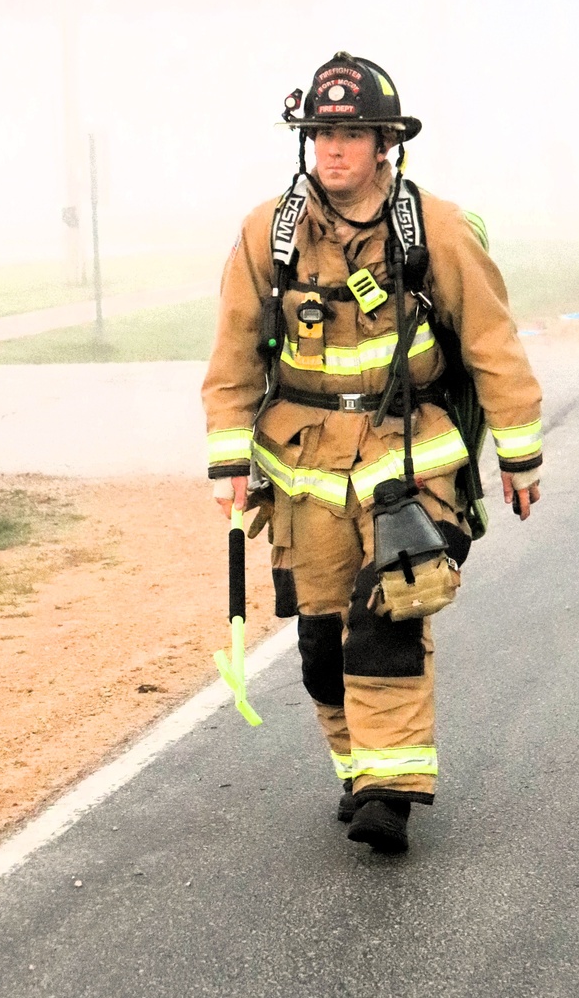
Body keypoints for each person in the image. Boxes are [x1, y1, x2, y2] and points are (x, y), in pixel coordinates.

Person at [202, 51, 543, 853]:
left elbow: (493, 344)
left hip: (409, 462)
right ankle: (358, 769)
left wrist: (519, 456)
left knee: (386, 613)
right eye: (321, 131)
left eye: (351, 132)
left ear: (386, 142)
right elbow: (233, 354)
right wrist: (227, 462)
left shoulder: (439, 230)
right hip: (304, 473)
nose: (333, 147)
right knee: (321, 643)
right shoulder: (268, 234)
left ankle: (392, 790)